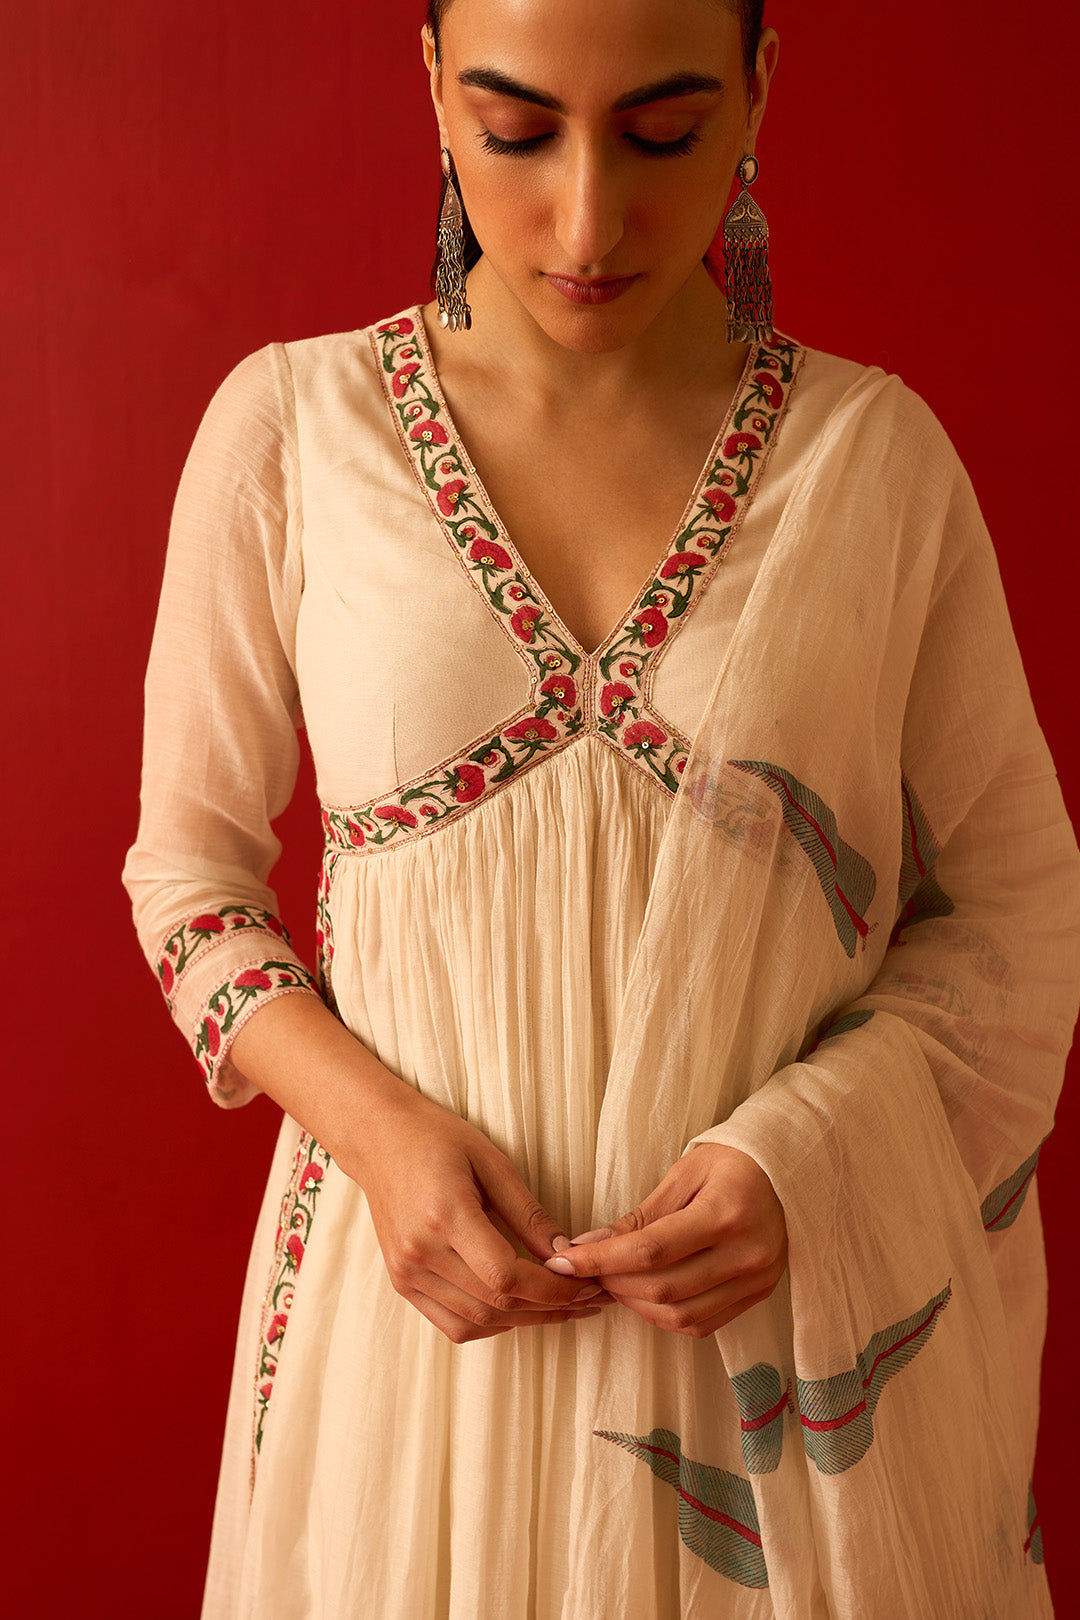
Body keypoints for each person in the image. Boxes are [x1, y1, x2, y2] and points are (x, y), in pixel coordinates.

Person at [122, 0, 1080, 1615]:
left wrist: (802, 1159)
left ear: (758, 92)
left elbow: (1017, 910)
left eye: (660, 135)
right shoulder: (292, 433)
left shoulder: (874, 464)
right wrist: (380, 1138)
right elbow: (190, 885)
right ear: (433, 85)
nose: (586, 221)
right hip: (411, 1370)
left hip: (771, 1397)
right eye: (517, 132)